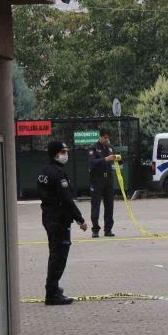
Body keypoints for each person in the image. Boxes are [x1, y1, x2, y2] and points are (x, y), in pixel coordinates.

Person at [38, 141, 87, 305]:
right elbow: (66, 200)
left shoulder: (44, 171)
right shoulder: (58, 174)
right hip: (59, 219)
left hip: (49, 217)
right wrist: (80, 219)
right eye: (63, 151)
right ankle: (52, 294)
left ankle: (53, 289)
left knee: (55, 253)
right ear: (56, 153)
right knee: (59, 257)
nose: (66, 154)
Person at [88, 129, 118, 238]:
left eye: (108, 138)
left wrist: (118, 159)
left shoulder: (111, 148)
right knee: (95, 206)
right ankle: (95, 230)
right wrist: (105, 159)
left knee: (109, 206)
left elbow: (117, 161)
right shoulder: (93, 148)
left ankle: (108, 230)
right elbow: (92, 162)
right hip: (97, 180)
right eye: (105, 137)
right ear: (100, 137)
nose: (106, 139)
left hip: (108, 180)